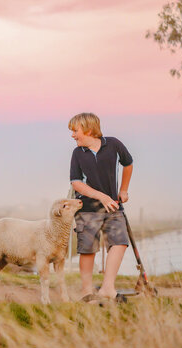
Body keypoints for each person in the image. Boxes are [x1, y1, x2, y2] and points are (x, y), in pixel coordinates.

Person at [68, 112, 133, 302]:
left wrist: (124, 190)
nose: (73, 135)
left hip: (113, 206)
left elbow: (128, 164)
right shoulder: (77, 153)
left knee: (120, 242)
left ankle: (107, 288)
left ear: (88, 129)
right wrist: (101, 196)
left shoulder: (113, 144)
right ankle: (87, 291)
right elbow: (76, 182)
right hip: (87, 208)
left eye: (75, 131)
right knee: (88, 249)